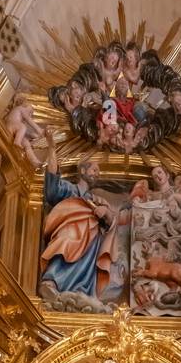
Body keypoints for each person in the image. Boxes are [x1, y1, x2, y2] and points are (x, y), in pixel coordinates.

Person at [39, 130, 120, 307]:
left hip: (90, 245)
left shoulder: (96, 199)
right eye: (94, 169)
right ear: (82, 170)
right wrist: (52, 147)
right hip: (71, 231)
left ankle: (82, 291)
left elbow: (112, 222)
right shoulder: (70, 190)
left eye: (98, 171)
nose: (97, 174)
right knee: (66, 240)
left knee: (86, 259)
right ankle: (51, 282)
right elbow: (52, 187)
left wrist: (104, 213)